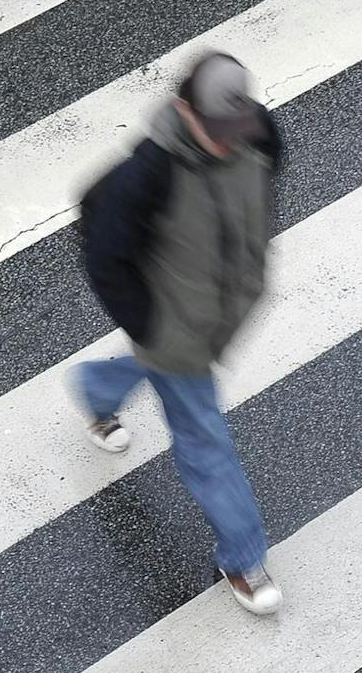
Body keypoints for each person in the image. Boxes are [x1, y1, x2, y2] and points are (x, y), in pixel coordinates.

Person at [74, 51, 283, 615]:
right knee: (205, 441)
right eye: (215, 130)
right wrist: (148, 324)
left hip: (222, 309)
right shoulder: (149, 170)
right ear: (182, 110)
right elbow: (103, 247)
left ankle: (96, 389)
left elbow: (264, 187)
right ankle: (243, 559)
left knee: (155, 371)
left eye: (233, 129)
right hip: (174, 326)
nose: (226, 142)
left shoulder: (257, 135)